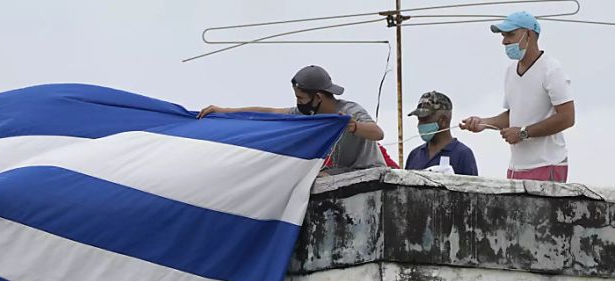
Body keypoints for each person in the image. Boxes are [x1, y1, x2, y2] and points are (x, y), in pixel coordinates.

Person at [198, 65, 386, 175]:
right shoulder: (305, 115)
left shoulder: (349, 110)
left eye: (300, 98)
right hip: (340, 176)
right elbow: (270, 112)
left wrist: (353, 126)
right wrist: (225, 111)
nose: (298, 103)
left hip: (369, 176)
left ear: (318, 97)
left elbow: (377, 133)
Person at [460, 12, 574, 182]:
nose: (504, 41)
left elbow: (567, 118)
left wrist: (523, 133)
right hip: (516, 167)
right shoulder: (510, 71)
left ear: (528, 34)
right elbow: (513, 115)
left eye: (510, 34)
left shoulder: (551, 70)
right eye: (503, 35)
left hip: (547, 164)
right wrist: (484, 123)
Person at [405, 91, 478, 176]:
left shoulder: (462, 154)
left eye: (425, 119)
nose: (420, 125)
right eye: (419, 119)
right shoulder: (414, 155)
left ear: (443, 120)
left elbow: (472, 187)